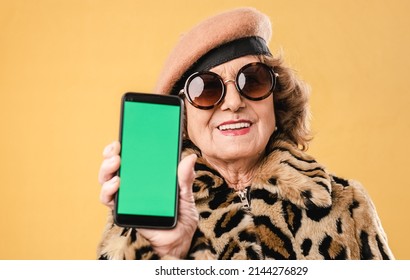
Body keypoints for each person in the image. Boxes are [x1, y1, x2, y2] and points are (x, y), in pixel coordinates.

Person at [96, 7, 394, 260]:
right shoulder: (142, 220)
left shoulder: (347, 204)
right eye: (207, 89)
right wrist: (168, 256)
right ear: (183, 119)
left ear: (275, 100)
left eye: (252, 81)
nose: (234, 103)